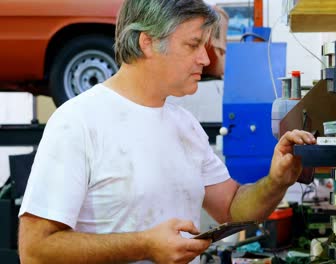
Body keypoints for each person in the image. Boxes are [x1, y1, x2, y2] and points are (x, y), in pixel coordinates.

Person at [18, 0, 315, 263]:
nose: (206, 59)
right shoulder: (77, 121)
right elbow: (35, 250)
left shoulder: (185, 125)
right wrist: (144, 245)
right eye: (193, 44)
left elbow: (233, 208)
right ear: (147, 42)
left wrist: (277, 180)